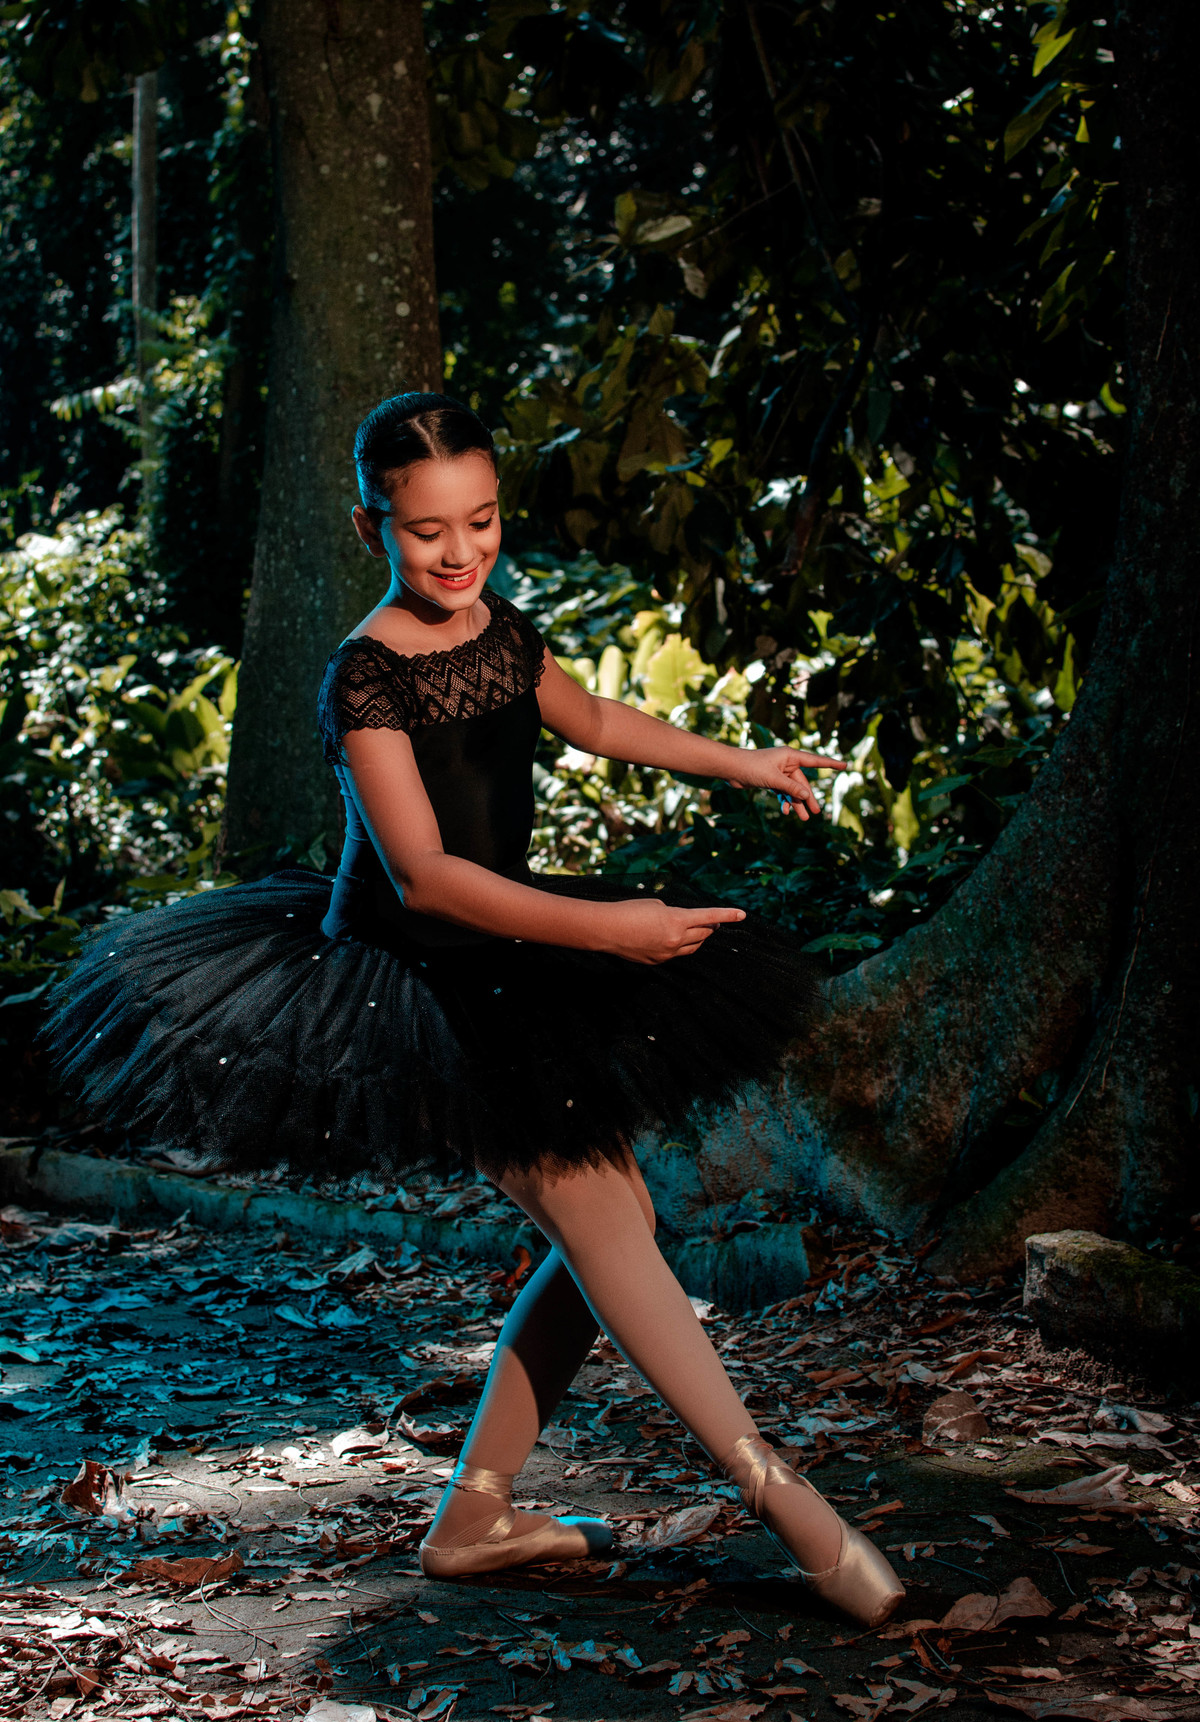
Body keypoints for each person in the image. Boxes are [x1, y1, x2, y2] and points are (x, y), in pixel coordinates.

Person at [43, 392, 904, 1628]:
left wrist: (743, 761)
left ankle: (477, 1514)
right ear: (371, 525)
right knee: (612, 1229)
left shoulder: (499, 629)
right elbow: (424, 876)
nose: (461, 554)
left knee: (618, 1224)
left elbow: (595, 720)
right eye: (429, 532)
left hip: (519, 949)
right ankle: (791, 1510)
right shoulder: (366, 676)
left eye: (483, 522)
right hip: (416, 980)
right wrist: (617, 929)